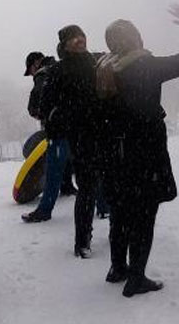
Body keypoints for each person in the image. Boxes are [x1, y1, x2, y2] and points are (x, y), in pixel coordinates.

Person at [98, 4, 179, 297]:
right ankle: (136, 278)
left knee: (120, 211)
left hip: (115, 152)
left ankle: (118, 268)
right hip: (144, 152)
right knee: (144, 214)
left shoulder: (105, 66)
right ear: (136, 38)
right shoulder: (144, 65)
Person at [50, 24, 111, 258]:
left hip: (105, 133)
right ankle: (82, 242)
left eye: (82, 35)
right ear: (65, 44)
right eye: (74, 38)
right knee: (86, 189)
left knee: (110, 181)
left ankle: (118, 230)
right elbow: (47, 107)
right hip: (81, 138)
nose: (80, 40)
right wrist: (70, 117)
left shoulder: (97, 61)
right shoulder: (58, 71)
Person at [21, 50, 71, 223]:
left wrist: (41, 113)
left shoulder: (43, 75)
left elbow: (36, 103)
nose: (32, 75)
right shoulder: (62, 67)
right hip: (78, 127)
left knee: (53, 170)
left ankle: (44, 210)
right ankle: (102, 207)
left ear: (36, 64)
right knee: (86, 169)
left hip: (58, 129)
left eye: (30, 71)